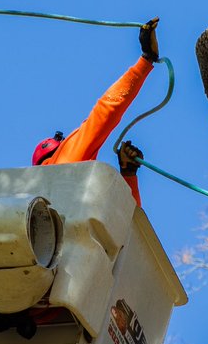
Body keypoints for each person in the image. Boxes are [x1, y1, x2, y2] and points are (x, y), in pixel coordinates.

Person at [31, 18, 160, 207]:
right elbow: (104, 112)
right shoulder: (60, 165)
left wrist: (128, 175)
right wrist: (146, 60)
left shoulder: (56, 199)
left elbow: (125, 224)